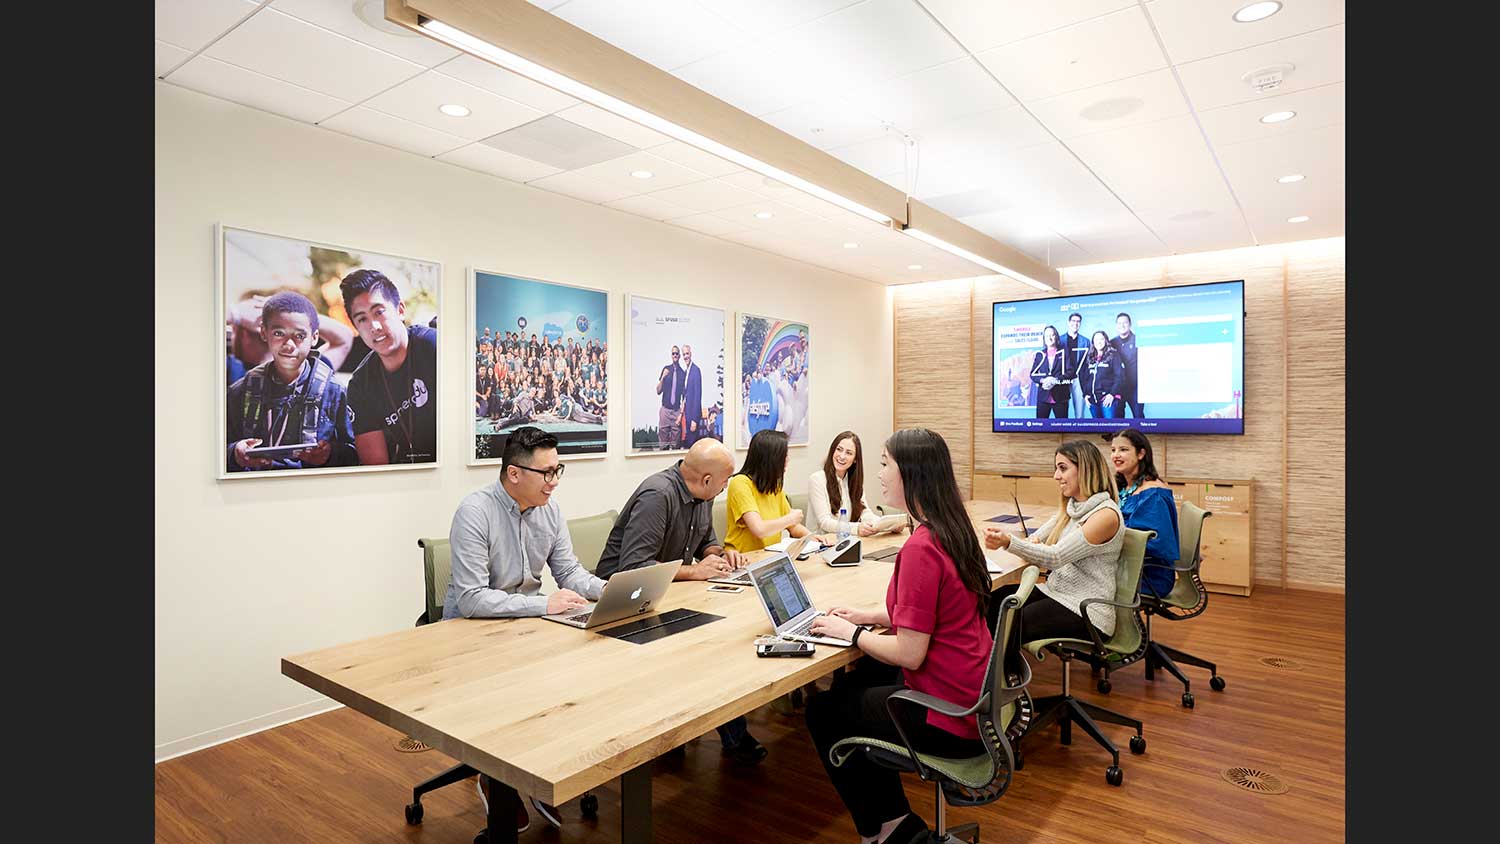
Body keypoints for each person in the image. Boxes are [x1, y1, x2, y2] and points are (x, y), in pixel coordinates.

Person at [804, 428, 993, 844]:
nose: (881, 473)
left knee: (823, 712)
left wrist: (852, 633)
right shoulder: (952, 527)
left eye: (886, 463)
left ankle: (883, 830)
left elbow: (909, 652)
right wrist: (871, 614)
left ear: (911, 472)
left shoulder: (921, 547)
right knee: (862, 682)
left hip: (948, 715)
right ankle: (893, 822)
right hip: (972, 695)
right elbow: (935, 609)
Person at [442, 425, 605, 832]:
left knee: (578, 679)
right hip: (470, 634)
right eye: (546, 473)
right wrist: (543, 603)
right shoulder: (475, 512)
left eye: (558, 470)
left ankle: (534, 771)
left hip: (526, 626)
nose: (554, 482)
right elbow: (472, 599)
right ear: (514, 474)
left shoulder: (548, 511)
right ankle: (497, 779)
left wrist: (612, 591)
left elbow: (568, 570)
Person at [591, 439, 767, 764]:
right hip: (625, 604)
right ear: (707, 480)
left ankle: (727, 733)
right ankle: (681, 735)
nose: (727, 486)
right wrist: (695, 573)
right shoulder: (659, 495)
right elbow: (634, 566)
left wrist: (721, 556)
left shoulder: (701, 495)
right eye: (726, 480)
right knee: (707, 651)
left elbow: (706, 543)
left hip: (669, 595)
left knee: (720, 643)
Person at [983, 439, 1124, 654]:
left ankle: (1003, 681)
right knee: (994, 601)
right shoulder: (1073, 507)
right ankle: (986, 674)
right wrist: (1030, 545)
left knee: (1011, 621)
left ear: (1085, 470)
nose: (1056, 476)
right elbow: (1037, 539)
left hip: (1087, 610)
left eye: (1063, 468)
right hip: (1056, 592)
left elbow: (1055, 557)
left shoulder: (1105, 515)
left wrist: (1009, 542)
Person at [226, 291, 357, 472]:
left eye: (300, 335)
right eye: (279, 333)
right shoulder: (241, 390)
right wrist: (235, 453)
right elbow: (215, 448)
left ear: (314, 338)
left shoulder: (332, 391)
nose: (289, 345)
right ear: (264, 333)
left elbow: (354, 453)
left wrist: (330, 454)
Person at [341, 270, 438, 464]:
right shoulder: (361, 385)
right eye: (362, 319)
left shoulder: (434, 346)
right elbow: (375, 465)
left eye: (379, 312)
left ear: (400, 310)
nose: (374, 326)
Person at [725, 429, 828, 553]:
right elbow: (759, 529)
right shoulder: (740, 483)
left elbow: (793, 526)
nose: (787, 460)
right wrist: (790, 518)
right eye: (784, 456)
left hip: (770, 557)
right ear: (772, 459)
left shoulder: (774, 485)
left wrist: (812, 538)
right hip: (744, 559)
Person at [1107, 428, 1179, 599]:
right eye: (1113, 450)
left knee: (1083, 580)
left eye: (1123, 450)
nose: (1116, 455)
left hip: (1148, 575)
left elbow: (1151, 543)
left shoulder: (1153, 494)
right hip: (1126, 566)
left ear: (1141, 454)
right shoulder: (1124, 487)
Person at [807, 431, 890, 537]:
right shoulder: (817, 479)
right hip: (821, 544)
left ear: (855, 459)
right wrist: (856, 528)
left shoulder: (854, 481)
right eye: (839, 449)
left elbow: (864, 512)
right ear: (832, 450)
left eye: (849, 453)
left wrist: (886, 524)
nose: (842, 456)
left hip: (846, 541)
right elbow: (824, 522)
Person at [1029, 325, 1072, 419]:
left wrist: (1055, 380)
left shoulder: (1064, 352)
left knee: (1063, 428)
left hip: (1061, 397)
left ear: (1056, 337)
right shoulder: (1040, 355)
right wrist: (1043, 380)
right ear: (1044, 338)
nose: (1049, 337)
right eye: (1047, 335)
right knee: (1040, 428)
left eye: (1052, 335)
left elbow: (1071, 372)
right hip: (1043, 398)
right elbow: (1032, 374)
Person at [1078, 330, 1123, 419]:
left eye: (1101, 339)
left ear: (1106, 341)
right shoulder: (1089, 357)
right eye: (1096, 340)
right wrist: (1085, 395)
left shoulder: (1113, 355)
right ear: (1093, 342)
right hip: (1093, 401)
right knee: (1098, 430)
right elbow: (1082, 376)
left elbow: (1120, 377)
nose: (1099, 342)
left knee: (1110, 429)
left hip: (1107, 399)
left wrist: (1112, 394)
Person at [1110, 312, 1144, 419]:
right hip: (1119, 387)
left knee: (1138, 417)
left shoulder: (1139, 340)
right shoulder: (1111, 343)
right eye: (1119, 323)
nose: (1122, 325)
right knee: (1118, 418)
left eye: (1125, 322)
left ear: (1130, 324)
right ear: (1116, 326)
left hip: (1136, 387)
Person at [655, 345, 686, 450]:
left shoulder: (683, 373)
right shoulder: (666, 369)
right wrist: (663, 377)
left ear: (679, 356)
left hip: (676, 412)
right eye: (673, 353)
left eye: (677, 353)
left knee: (675, 445)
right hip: (665, 411)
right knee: (663, 444)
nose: (675, 355)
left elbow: (684, 398)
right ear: (671, 355)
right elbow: (658, 391)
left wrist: (680, 415)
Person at [1061, 312, 1089, 416]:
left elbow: (1088, 362)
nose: (1075, 323)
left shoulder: (1086, 341)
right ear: (1068, 323)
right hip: (1063, 378)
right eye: (1073, 321)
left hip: (1078, 378)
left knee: (1079, 412)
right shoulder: (1059, 340)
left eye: (1078, 321)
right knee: (1062, 411)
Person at [681, 343, 704, 446]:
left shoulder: (696, 371)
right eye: (684, 354)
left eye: (687, 354)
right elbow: (686, 393)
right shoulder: (686, 372)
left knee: (693, 446)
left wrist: (694, 419)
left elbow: (697, 396)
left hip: (693, 416)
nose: (685, 356)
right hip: (687, 414)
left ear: (691, 354)